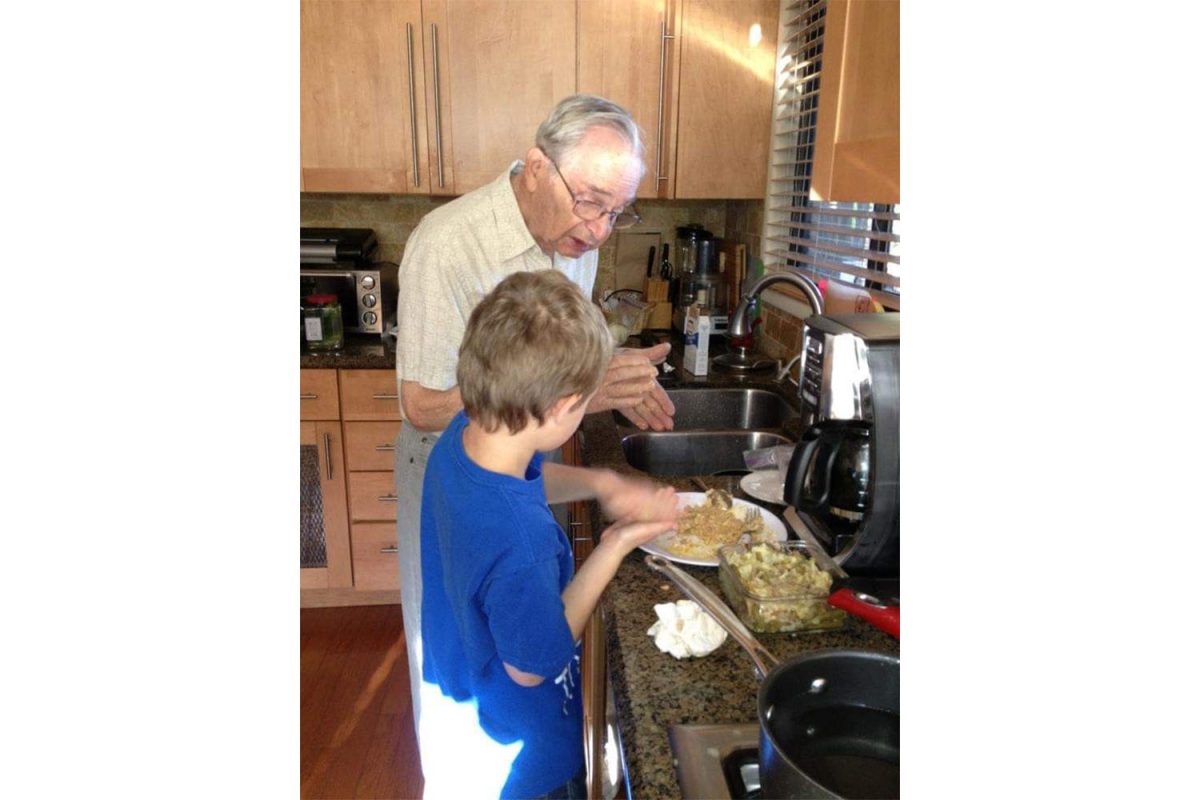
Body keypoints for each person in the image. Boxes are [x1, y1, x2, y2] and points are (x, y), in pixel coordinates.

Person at [393, 94, 676, 740]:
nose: (601, 230)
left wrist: (594, 397)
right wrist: (577, 388)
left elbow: (550, 357)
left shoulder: (579, 236)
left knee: (483, 637)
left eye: (618, 212)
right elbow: (420, 405)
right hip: (444, 454)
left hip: (500, 463)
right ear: (537, 167)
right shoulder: (449, 245)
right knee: (465, 648)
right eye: (591, 202)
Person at [418, 270, 678, 799]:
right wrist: (615, 545)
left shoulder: (464, 437)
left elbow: (526, 481)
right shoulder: (524, 544)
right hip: (522, 736)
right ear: (563, 409)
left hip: (466, 681)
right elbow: (533, 667)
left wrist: (602, 484)